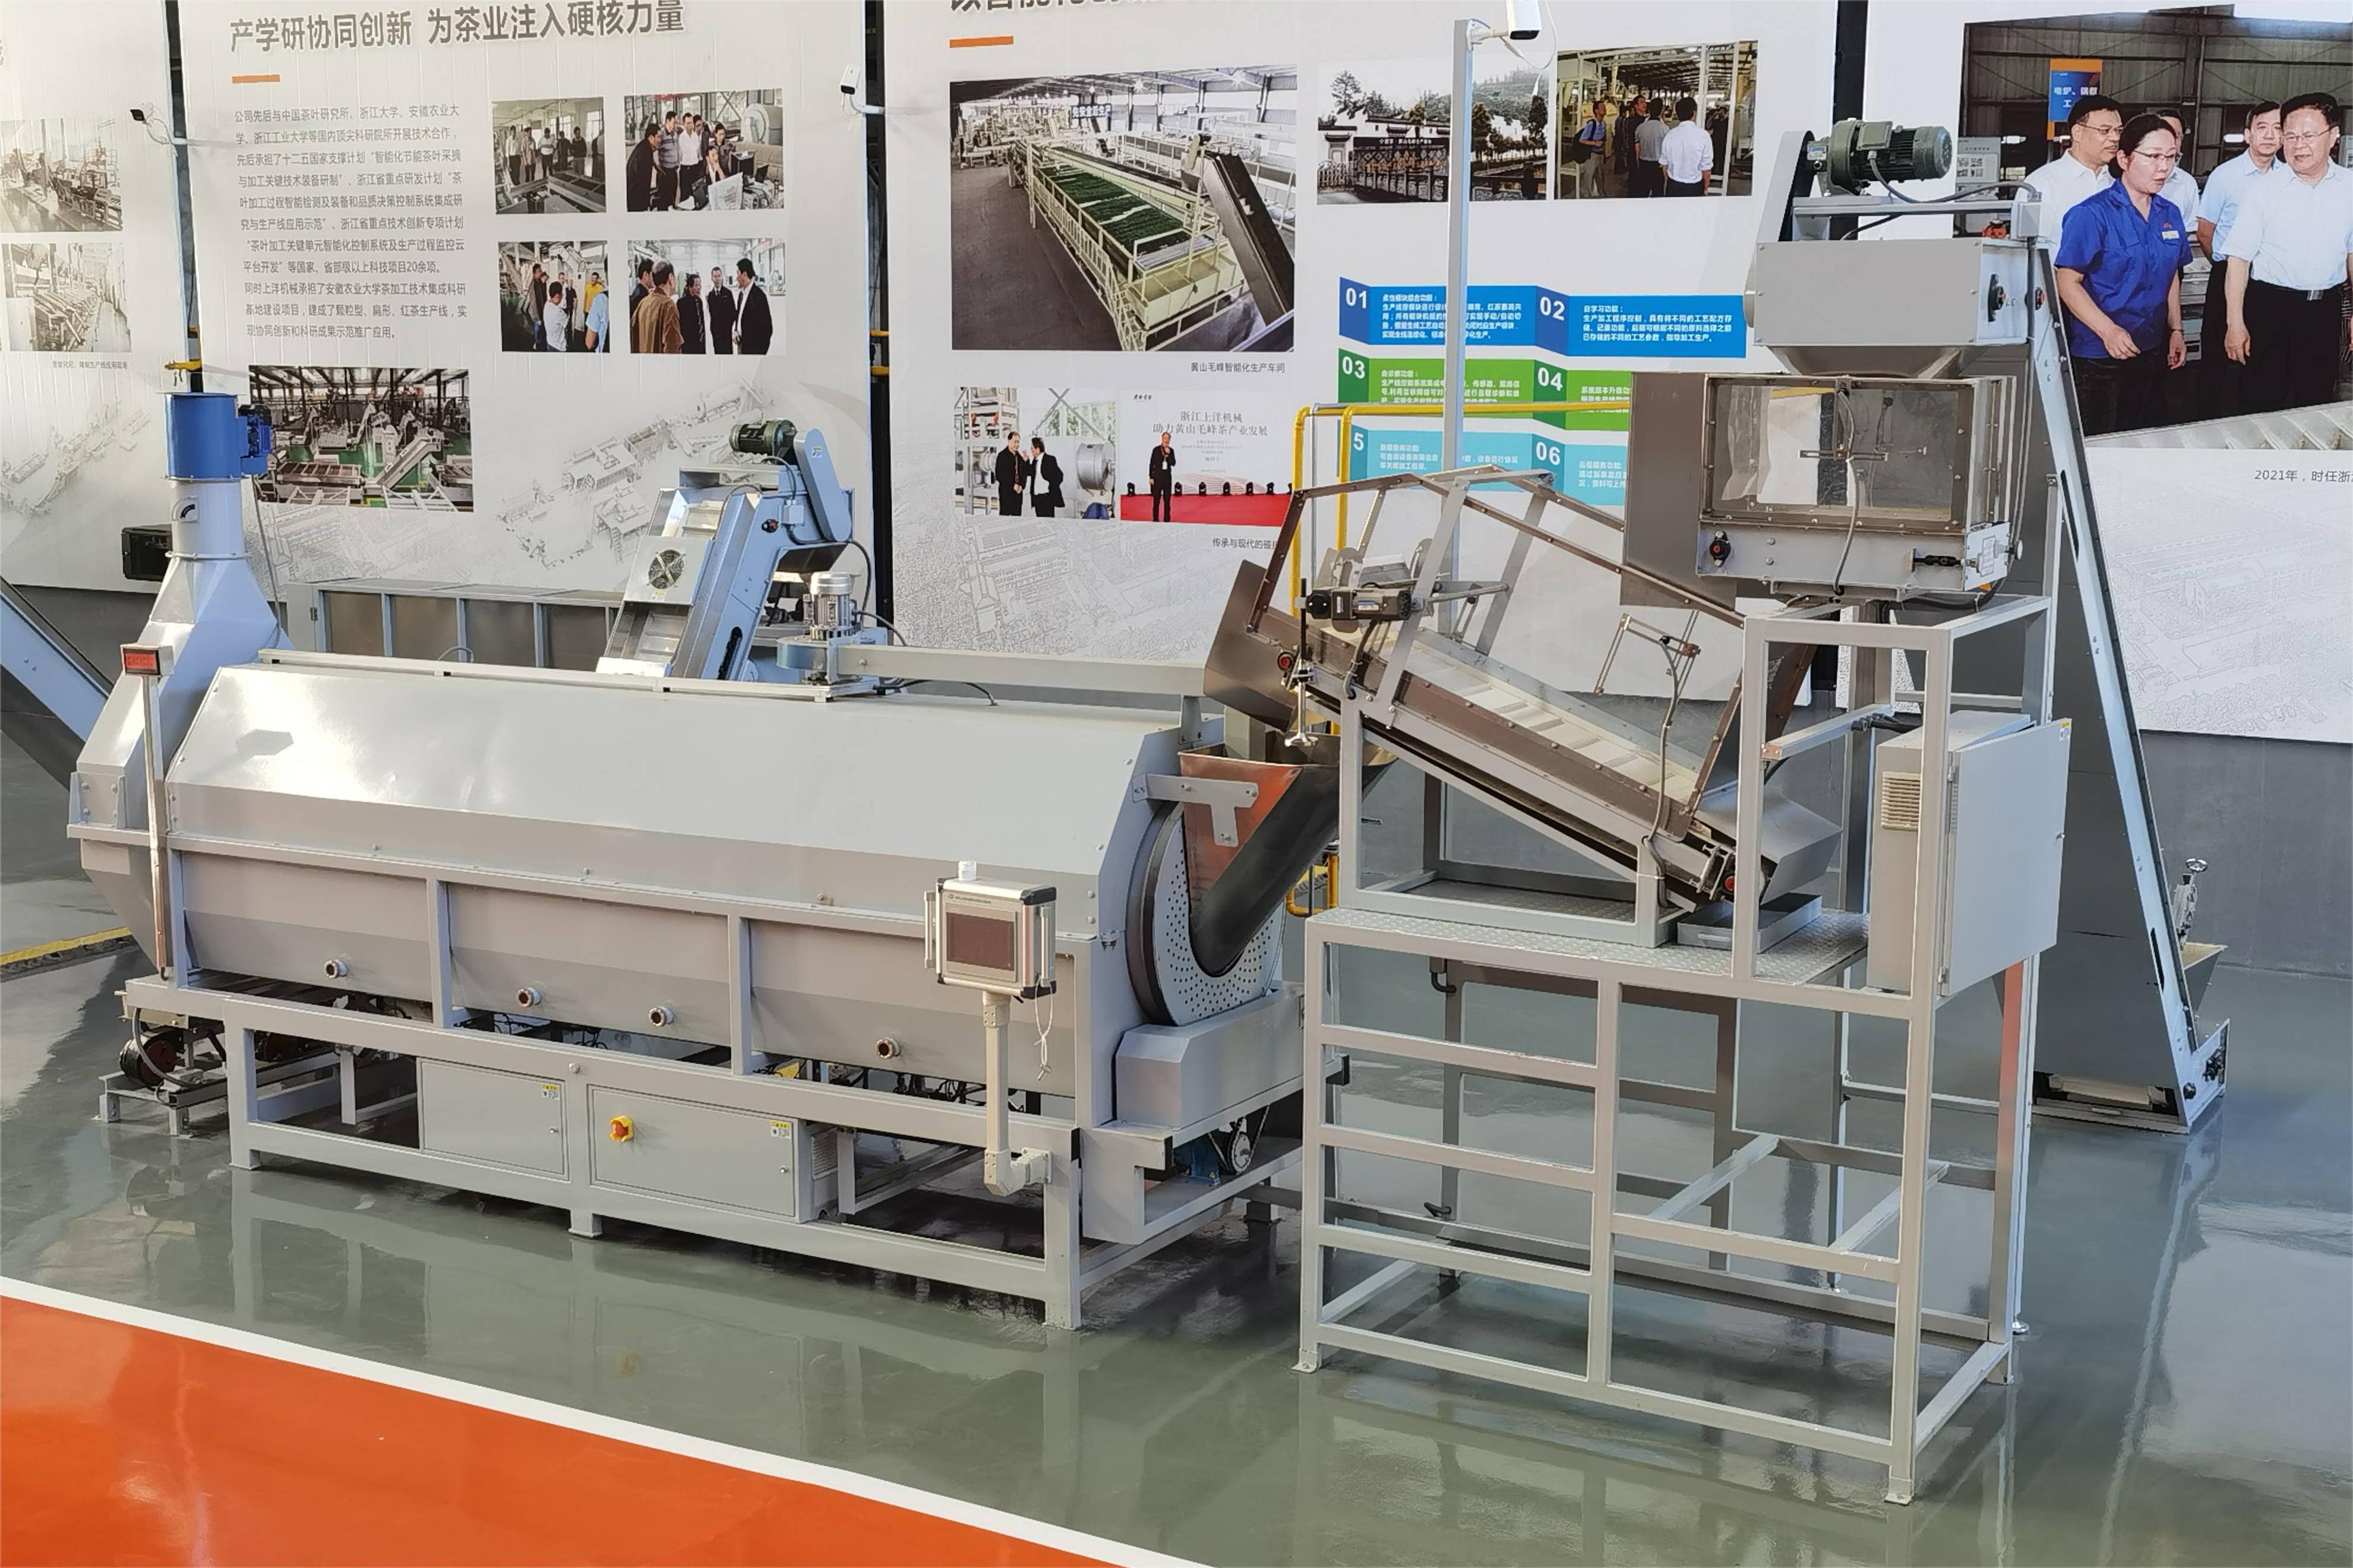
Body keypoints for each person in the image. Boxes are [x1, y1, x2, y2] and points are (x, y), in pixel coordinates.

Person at [2053, 113, 2191, 435]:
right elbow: (2067, 281)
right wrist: (2109, 331)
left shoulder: (2169, 214)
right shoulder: (2091, 214)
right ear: (2124, 159)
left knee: (2140, 433)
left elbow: (2171, 274)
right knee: (2099, 439)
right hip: (2099, 353)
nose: (2164, 167)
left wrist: (2176, 330)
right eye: (2153, 157)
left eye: (2171, 157)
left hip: (2150, 347)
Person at [2218, 92, 2353, 416]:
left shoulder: (2349, 187)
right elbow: (2238, 260)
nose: (2298, 145)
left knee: (2317, 403)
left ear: (2333, 136)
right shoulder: (2263, 190)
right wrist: (2235, 323)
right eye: (2290, 136)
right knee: (2261, 402)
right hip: (2270, 309)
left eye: (2308, 136)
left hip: (2325, 310)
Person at [2193, 102, 2283, 416]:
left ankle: (2250, 419)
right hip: (2227, 273)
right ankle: (2207, 419)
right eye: (2262, 128)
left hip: (2267, 280)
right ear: (2248, 135)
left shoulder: (2288, 178)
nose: (2270, 135)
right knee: (2216, 355)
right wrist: (2223, 265)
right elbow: (2205, 231)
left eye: (2278, 128)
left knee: (2260, 355)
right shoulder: (2225, 175)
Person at [2017, 94, 2123, 239]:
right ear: (2077, 133)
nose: (2115, 138)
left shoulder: (2119, 183)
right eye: (2105, 131)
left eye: (2118, 131)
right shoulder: (2041, 185)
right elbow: (2028, 247)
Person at [1660, 97, 1713, 196]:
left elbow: (1664, 166)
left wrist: (1668, 182)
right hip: (1694, 187)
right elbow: (1706, 170)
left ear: (1678, 114)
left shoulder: (1670, 135)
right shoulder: (1703, 136)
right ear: (1694, 113)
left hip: (1673, 186)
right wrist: (1705, 189)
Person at [634, 261, 683, 355]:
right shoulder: (668, 305)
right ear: (671, 278)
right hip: (660, 363)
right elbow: (672, 347)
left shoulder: (643, 303)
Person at [733, 258, 773, 355]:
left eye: (738, 273)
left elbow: (767, 329)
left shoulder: (759, 296)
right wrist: (736, 331)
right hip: (741, 346)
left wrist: (758, 355)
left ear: (745, 274)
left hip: (753, 350)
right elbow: (739, 317)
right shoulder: (741, 294)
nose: (736, 277)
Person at [1632, 103, 1667, 197]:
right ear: (1661, 111)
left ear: (1649, 111)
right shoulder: (1664, 129)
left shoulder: (1641, 127)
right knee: (1657, 195)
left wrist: (1638, 162)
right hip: (1658, 166)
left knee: (1643, 193)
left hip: (1644, 164)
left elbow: (1637, 147)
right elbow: (1666, 151)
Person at [626, 122, 662, 213]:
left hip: (634, 196)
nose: (660, 140)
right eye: (658, 137)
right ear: (651, 138)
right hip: (637, 200)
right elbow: (644, 182)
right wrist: (647, 204)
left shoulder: (644, 147)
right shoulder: (645, 153)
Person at [1613, 93, 1646, 186]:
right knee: (1635, 176)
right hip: (1634, 152)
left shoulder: (1645, 120)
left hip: (1642, 152)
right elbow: (1631, 139)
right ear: (1636, 106)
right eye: (1642, 102)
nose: (1645, 104)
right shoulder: (1633, 121)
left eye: (1645, 102)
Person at [1028, 437, 1064, 518]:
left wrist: (1051, 487)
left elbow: (1059, 476)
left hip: (1047, 497)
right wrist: (1026, 461)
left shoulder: (1050, 459)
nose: (1032, 451)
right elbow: (1029, 472)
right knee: (1040, 521)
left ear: (1038, 449)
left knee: (1049, 520)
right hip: (1037, 498)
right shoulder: (1035, 461)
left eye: (1033, 448)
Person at [993, 433, 1027, 516]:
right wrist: (1013, 485)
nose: (1017, 444)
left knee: (1017, 519)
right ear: (1009, 441)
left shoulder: (1019, 457)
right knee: (1005, 518)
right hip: (1006, 493)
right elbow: (999, 476)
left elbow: (1024, 473)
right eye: (1015, 442)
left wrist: (1022, 486)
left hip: (1018, 493)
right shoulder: (1002, 456)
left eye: (1018, 442)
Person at [706, 265, 736, 353]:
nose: (717, 279)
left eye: (719, 276)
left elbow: (733, 313)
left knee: (728, 354)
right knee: (718, 354)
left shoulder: (728, 293)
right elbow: (712, 314)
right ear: (712, 278)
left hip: (726, 332)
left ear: (722, 277)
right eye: (715, 276)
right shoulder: (710, 296)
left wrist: (729, 327)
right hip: (716, 333)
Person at [1147, 431, 1176, 521]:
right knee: (1156, 500)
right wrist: (1151, 477)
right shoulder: (1156, 450)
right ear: (1162, 439)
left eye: (1168, 439)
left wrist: (1168, 454)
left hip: (1167, 479)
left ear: (1170, 440)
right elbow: (1152, 464)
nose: (1166, 440)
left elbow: (1173, 463)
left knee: (1167, 501)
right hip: (1157, 478)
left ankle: (1167, 519)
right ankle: (1155, 519)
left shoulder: (1171, 451)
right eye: (1165, 438)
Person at [657, 110, 681, 208]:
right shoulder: (661, 135)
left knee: (673, 199)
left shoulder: (676, 134)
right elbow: (654, 152)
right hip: (665, 172)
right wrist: (659, 169)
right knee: (664, 201)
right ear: (668, 121)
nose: (676, 125)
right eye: (674, 122)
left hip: (674, 171)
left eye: (677, 123)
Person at [678, 271, 706, 353]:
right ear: (690, 287)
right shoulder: (682, 303)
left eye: (700, 285)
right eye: (696, 285)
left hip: (700, 344)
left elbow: (702, 323)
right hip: (688, 345)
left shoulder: (699, 301)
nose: (699, 288)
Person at [583, 273, 609, 353]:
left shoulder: (600, 289)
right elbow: (585, 297)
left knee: (596, 331)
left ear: (597, 280)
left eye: (595, 278)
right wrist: (584, 308)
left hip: (596, 312)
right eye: (592, 278)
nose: (593, 280)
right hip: (588, 310)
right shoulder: (587, 286)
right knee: (589, 329)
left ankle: (594, 344)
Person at [542, 280, 570, 353]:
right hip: (559, 348)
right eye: (561, 294)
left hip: (550, 343)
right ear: (558, 296)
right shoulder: (558, 312)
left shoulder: (547, 305)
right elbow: (568, 324)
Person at [529, 263, 549, 349]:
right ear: (534, 273)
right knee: (537, 331)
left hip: (542, 312)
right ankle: (536, 346)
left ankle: (540, 345)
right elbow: (534, 303)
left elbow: (544, 297)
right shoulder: (533, 285)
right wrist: (537, 318)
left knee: (542, 332)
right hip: (537, 314)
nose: (540, 273)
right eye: (539, 271)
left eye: (541, 271)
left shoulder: (540, 282)